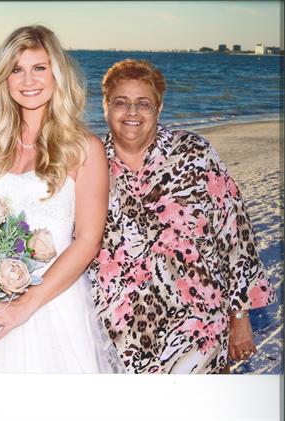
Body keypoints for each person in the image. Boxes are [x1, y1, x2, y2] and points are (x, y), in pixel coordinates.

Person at [0, 25, 124, 373]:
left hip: (53, 304)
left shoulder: (85, 148)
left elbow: (87, 241)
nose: (28, 79)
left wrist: (24, 305)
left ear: (57, 73)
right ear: (4, 79)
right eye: (16, 69)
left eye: (39, 67)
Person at [88, 58, 276, 374]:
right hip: (116, 330)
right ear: (105, 106)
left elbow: (234, 231)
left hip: (198, 326)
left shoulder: (194, 152)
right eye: (121, 102)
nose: (132, 112)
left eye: (143, 103)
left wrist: (240, 316)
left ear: (159, 109)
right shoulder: (87, 163)